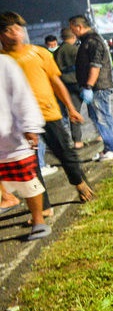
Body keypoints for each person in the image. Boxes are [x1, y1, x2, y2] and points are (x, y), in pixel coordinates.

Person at [0, 12, 96, 207]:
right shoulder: (3, 60)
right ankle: (43, 208)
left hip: (48, 113)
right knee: (31, 166)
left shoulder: (39, 53)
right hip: (18, 123)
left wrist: (70, 107)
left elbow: (56, 82)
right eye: (9, 30)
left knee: (65, 152)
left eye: (18, 28)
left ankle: (79, 183)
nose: (15, 33)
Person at [0, 53, 49, 240]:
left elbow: (22, 96)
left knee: (27, 180)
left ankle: (38, 221)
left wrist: (30, 127)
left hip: (10, 136)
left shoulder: (5, 64)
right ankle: (7, 198)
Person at [69, 14, 113, 161]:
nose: (71, 32)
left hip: (98, 87)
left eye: (72, 28)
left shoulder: (93, 41)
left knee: (103, 118)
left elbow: (95, 66)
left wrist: (88, 86)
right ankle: (108, 148)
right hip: (94, 88)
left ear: (79, 27)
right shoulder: (87, 41)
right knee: (98, 117)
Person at [53, 26, 84, 149]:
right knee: (94, 108)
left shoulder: (57, 52)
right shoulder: (75, 50)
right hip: (78, 83)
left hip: (64, 85)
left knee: (73, 111)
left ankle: (77, 141)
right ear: (74, 36)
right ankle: (101, 134)